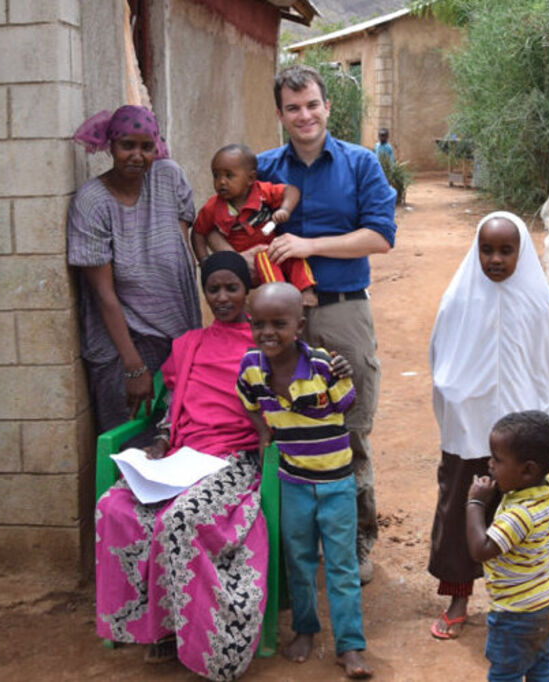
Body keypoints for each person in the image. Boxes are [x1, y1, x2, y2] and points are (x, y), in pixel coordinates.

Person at [255, 64, 398, 584]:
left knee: (349, 425)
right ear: (280, 114)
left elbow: (382, 236)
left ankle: (356, 539)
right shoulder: (264, 168)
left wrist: (310, 245)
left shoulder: (360, 164)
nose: (304, 115)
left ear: (327, 107)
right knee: (278, 424)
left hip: (341, 309)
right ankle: (283, 546)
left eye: (312, 104)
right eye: (293, 108)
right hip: (278, 322)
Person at [94, 253, 265, 681]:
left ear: (247, 291)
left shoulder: (262, 344)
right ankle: (158, 627)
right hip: (182, 457)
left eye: (232, 288)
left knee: (180, 521)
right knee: (113, 507)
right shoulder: (189, 344)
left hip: (233, 459)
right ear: (203, 293)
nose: (223, 297)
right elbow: (174, 403)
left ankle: (210, 644)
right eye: (213, 289)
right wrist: (161, 439)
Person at [427, 212, 549, 640]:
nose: (496, 259)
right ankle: (459, 597)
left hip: (518, 439)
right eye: (487, 250)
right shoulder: (460, 299)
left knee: (520, 518)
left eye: (506, 250)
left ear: (522, 252)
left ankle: (526, 602)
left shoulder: (536, 302)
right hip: (469, 432)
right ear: (476, 251)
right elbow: (440, 359)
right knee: (460, 511)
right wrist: (460, 396)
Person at [236, 283, 373, 679]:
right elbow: (246, 401)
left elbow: (348, 405)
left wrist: (342, 370)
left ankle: (350, 645)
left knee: (342, 565)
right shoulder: (251, 367)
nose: (268, 332)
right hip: (292, 483)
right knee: (299, 560)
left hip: (336, 485)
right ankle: (305, 629)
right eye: (259, 323)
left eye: (279, 323)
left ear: (299, 324)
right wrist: (264, 432)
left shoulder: (324, 366)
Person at [68, 105, 200, 433]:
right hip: (124, 343)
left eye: (146, 147)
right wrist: (132, 366)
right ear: (110, 145)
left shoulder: (168, 177)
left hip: (177, 335)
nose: (137, 155)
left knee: (175, 434)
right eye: (127, 145)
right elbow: (103, 293)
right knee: (128, 439)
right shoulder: (92, 202)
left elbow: (181, 250)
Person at [466, 410, 549, 682]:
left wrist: (475, 503)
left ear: (528, 470)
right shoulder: (546, 495)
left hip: (516, 613)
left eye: (498, 460)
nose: (490, 464)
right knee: (540, 665)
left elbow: (481, 550)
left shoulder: (519, 515)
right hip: (545, 605)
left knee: (504, 675)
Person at [191, 144, 318, 306]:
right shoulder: (213, 207)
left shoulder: (262, 192)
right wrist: (205, 261)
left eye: (229, 176)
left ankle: (306, 290)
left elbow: (291, 191)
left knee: (292, 253)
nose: (221, 182)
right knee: (265, 260)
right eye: (216, 176)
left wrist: (285, 209)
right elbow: (198, 232)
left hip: (272, 248)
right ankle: (280, 298)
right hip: (250, 262)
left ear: (250, 178)